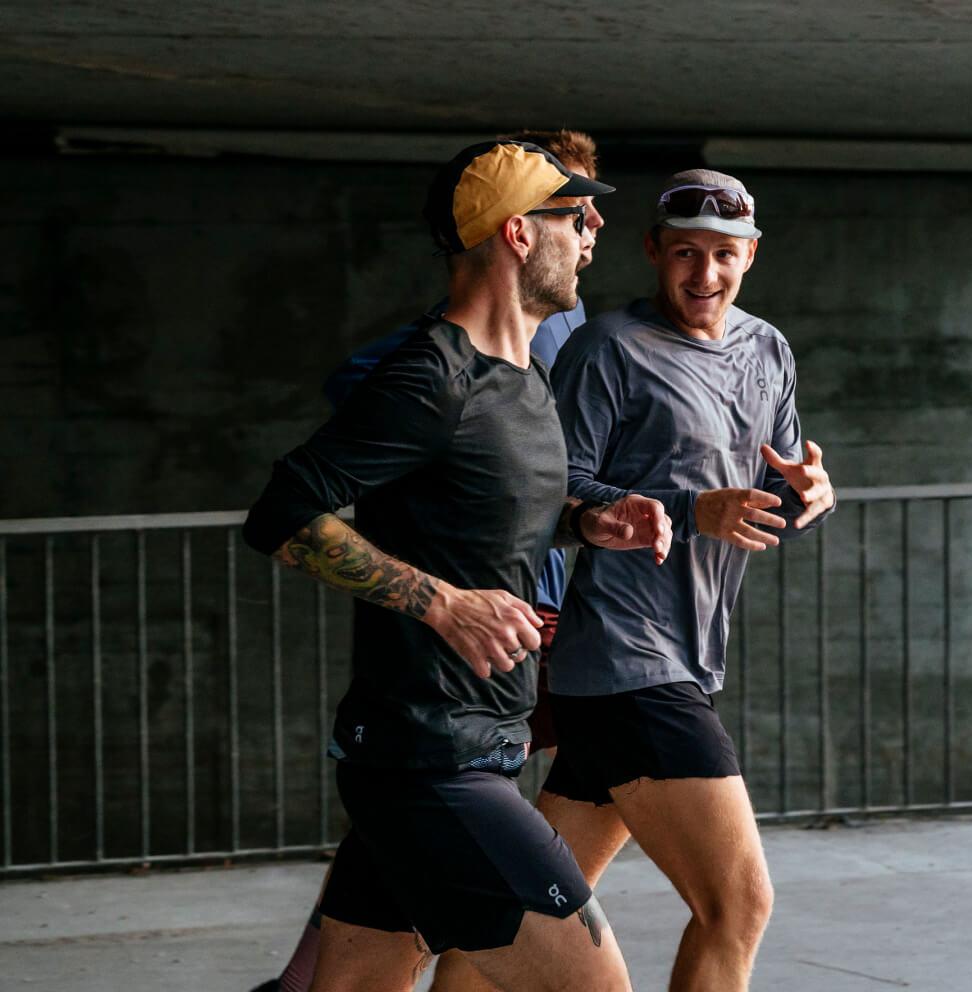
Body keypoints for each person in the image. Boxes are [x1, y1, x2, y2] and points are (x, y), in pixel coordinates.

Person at [242, 139, 672, 992]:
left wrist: (589, 523)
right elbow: (284, 512)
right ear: (517, 235)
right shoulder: (429, 377)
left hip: (468, 751)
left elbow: (489, 518)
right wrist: (442, 603)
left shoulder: (522, 380)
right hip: (428, 761)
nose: (591, 232)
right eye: (571, 215)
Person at [530, 169, 838, 992]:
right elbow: (549, 491)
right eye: (686, 254)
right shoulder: (609, 349)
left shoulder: (767, 347)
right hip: (628, 660)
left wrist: (810, 494)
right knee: (737, 905)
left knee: (529, 912)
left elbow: (769, 488)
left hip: (689, 658)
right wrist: (687, 508)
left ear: (752, 255)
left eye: (724, 255)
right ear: (653, 253)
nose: (705, 275)